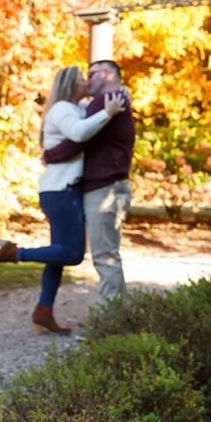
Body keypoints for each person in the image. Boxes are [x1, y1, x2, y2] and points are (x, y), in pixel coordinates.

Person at [0, 65, 125, 334]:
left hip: (62, 189)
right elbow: (81, 134)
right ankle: (14, 253)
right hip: (61, 190)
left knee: (58, 255)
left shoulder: (74, 109)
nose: (86, 83)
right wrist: (108, 112)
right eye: (82, 79)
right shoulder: (62, 109)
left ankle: (43, 312)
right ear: (71, 85)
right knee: (72, 255)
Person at [43, 59, 135, 302]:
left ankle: (110, 322)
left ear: (106, 74)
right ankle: (119, 317)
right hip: (105, 186)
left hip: (105, 189)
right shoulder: (110, 99)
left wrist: (49, 155)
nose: (87, 80)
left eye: (91, 74)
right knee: (106, 255)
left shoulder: (109, 100)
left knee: (105, 256)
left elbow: (79, 140)